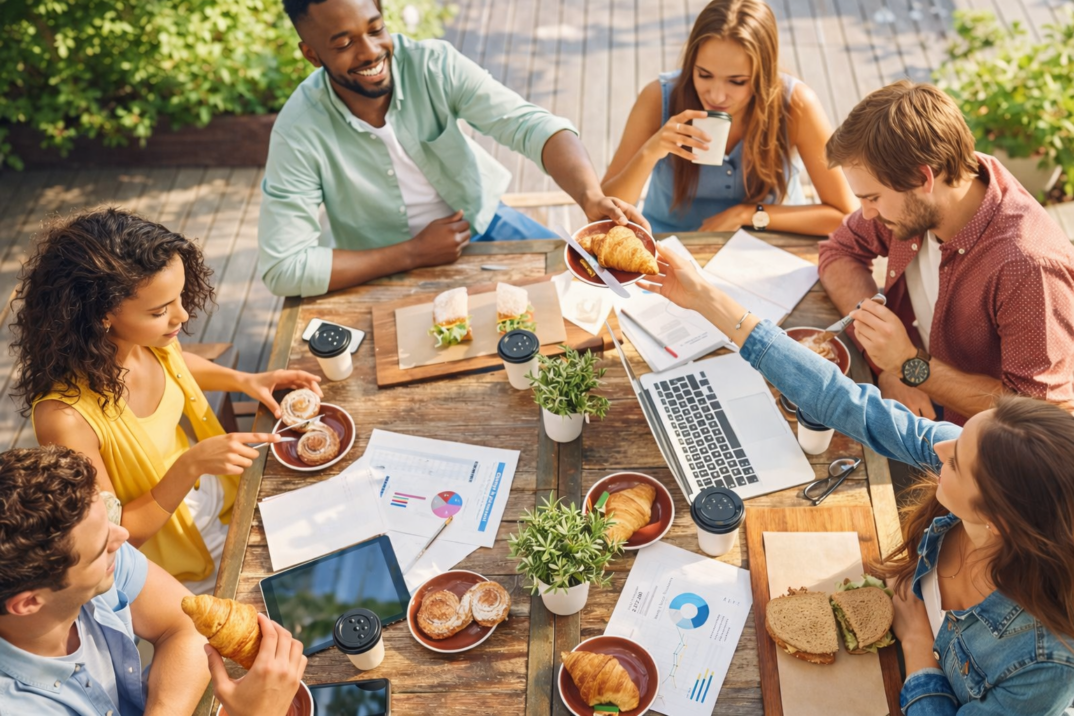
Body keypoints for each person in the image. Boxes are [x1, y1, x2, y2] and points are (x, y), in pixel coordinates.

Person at [640, 247, 1074, 715]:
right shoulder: (987, 472)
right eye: (962, 434)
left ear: (997, 521)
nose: (941, 447)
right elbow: (842, 400)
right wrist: (705, 297)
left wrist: (916, 645)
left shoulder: (1046, 664)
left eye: (957, 461)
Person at [12, 208, 321, 594]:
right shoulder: (65, 419)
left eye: (177, 299)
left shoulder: (145, 344)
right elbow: (114, 535)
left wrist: (246, 380)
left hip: (223, 499)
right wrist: (189, 466)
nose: (182, 315)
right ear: (101, 315)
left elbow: (177, 365)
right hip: (180, 563)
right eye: (160, 311)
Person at [260, 0, 648, 297]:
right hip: (378, 264)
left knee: (583, 291)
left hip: (486, 222)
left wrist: (589, 195)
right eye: (344, 44)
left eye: (376, 30)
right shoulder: (298, 130)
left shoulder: (433, 65)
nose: (370, 52)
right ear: (311, 54)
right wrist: (412, 253)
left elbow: (531, 125)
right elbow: (283, 266)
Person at [819, 80, 1074, 426]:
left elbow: (1040, 417)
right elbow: (839, 252)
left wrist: (911, 366)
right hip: (913, 392)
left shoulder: (1029, 266)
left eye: (872, 197)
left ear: (924, 178)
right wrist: (890, 367)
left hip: (973, 446)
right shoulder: (922, 198)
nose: (865, 214)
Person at [0, 445, 307, 716]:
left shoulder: (95, 554)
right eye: (99, 549)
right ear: (29, 602)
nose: (122, 537)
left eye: (109, 519)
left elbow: (185, 626)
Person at [601, 0, 855, 236]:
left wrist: (747, 214)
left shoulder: (796, 105)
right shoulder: (660, 97)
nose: (716, 95)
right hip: (671, 242)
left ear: (763, 75)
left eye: (737, 81)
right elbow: (603, 213)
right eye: (704, 75)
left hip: (767, 244)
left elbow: (845, 215)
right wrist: (651, 151)